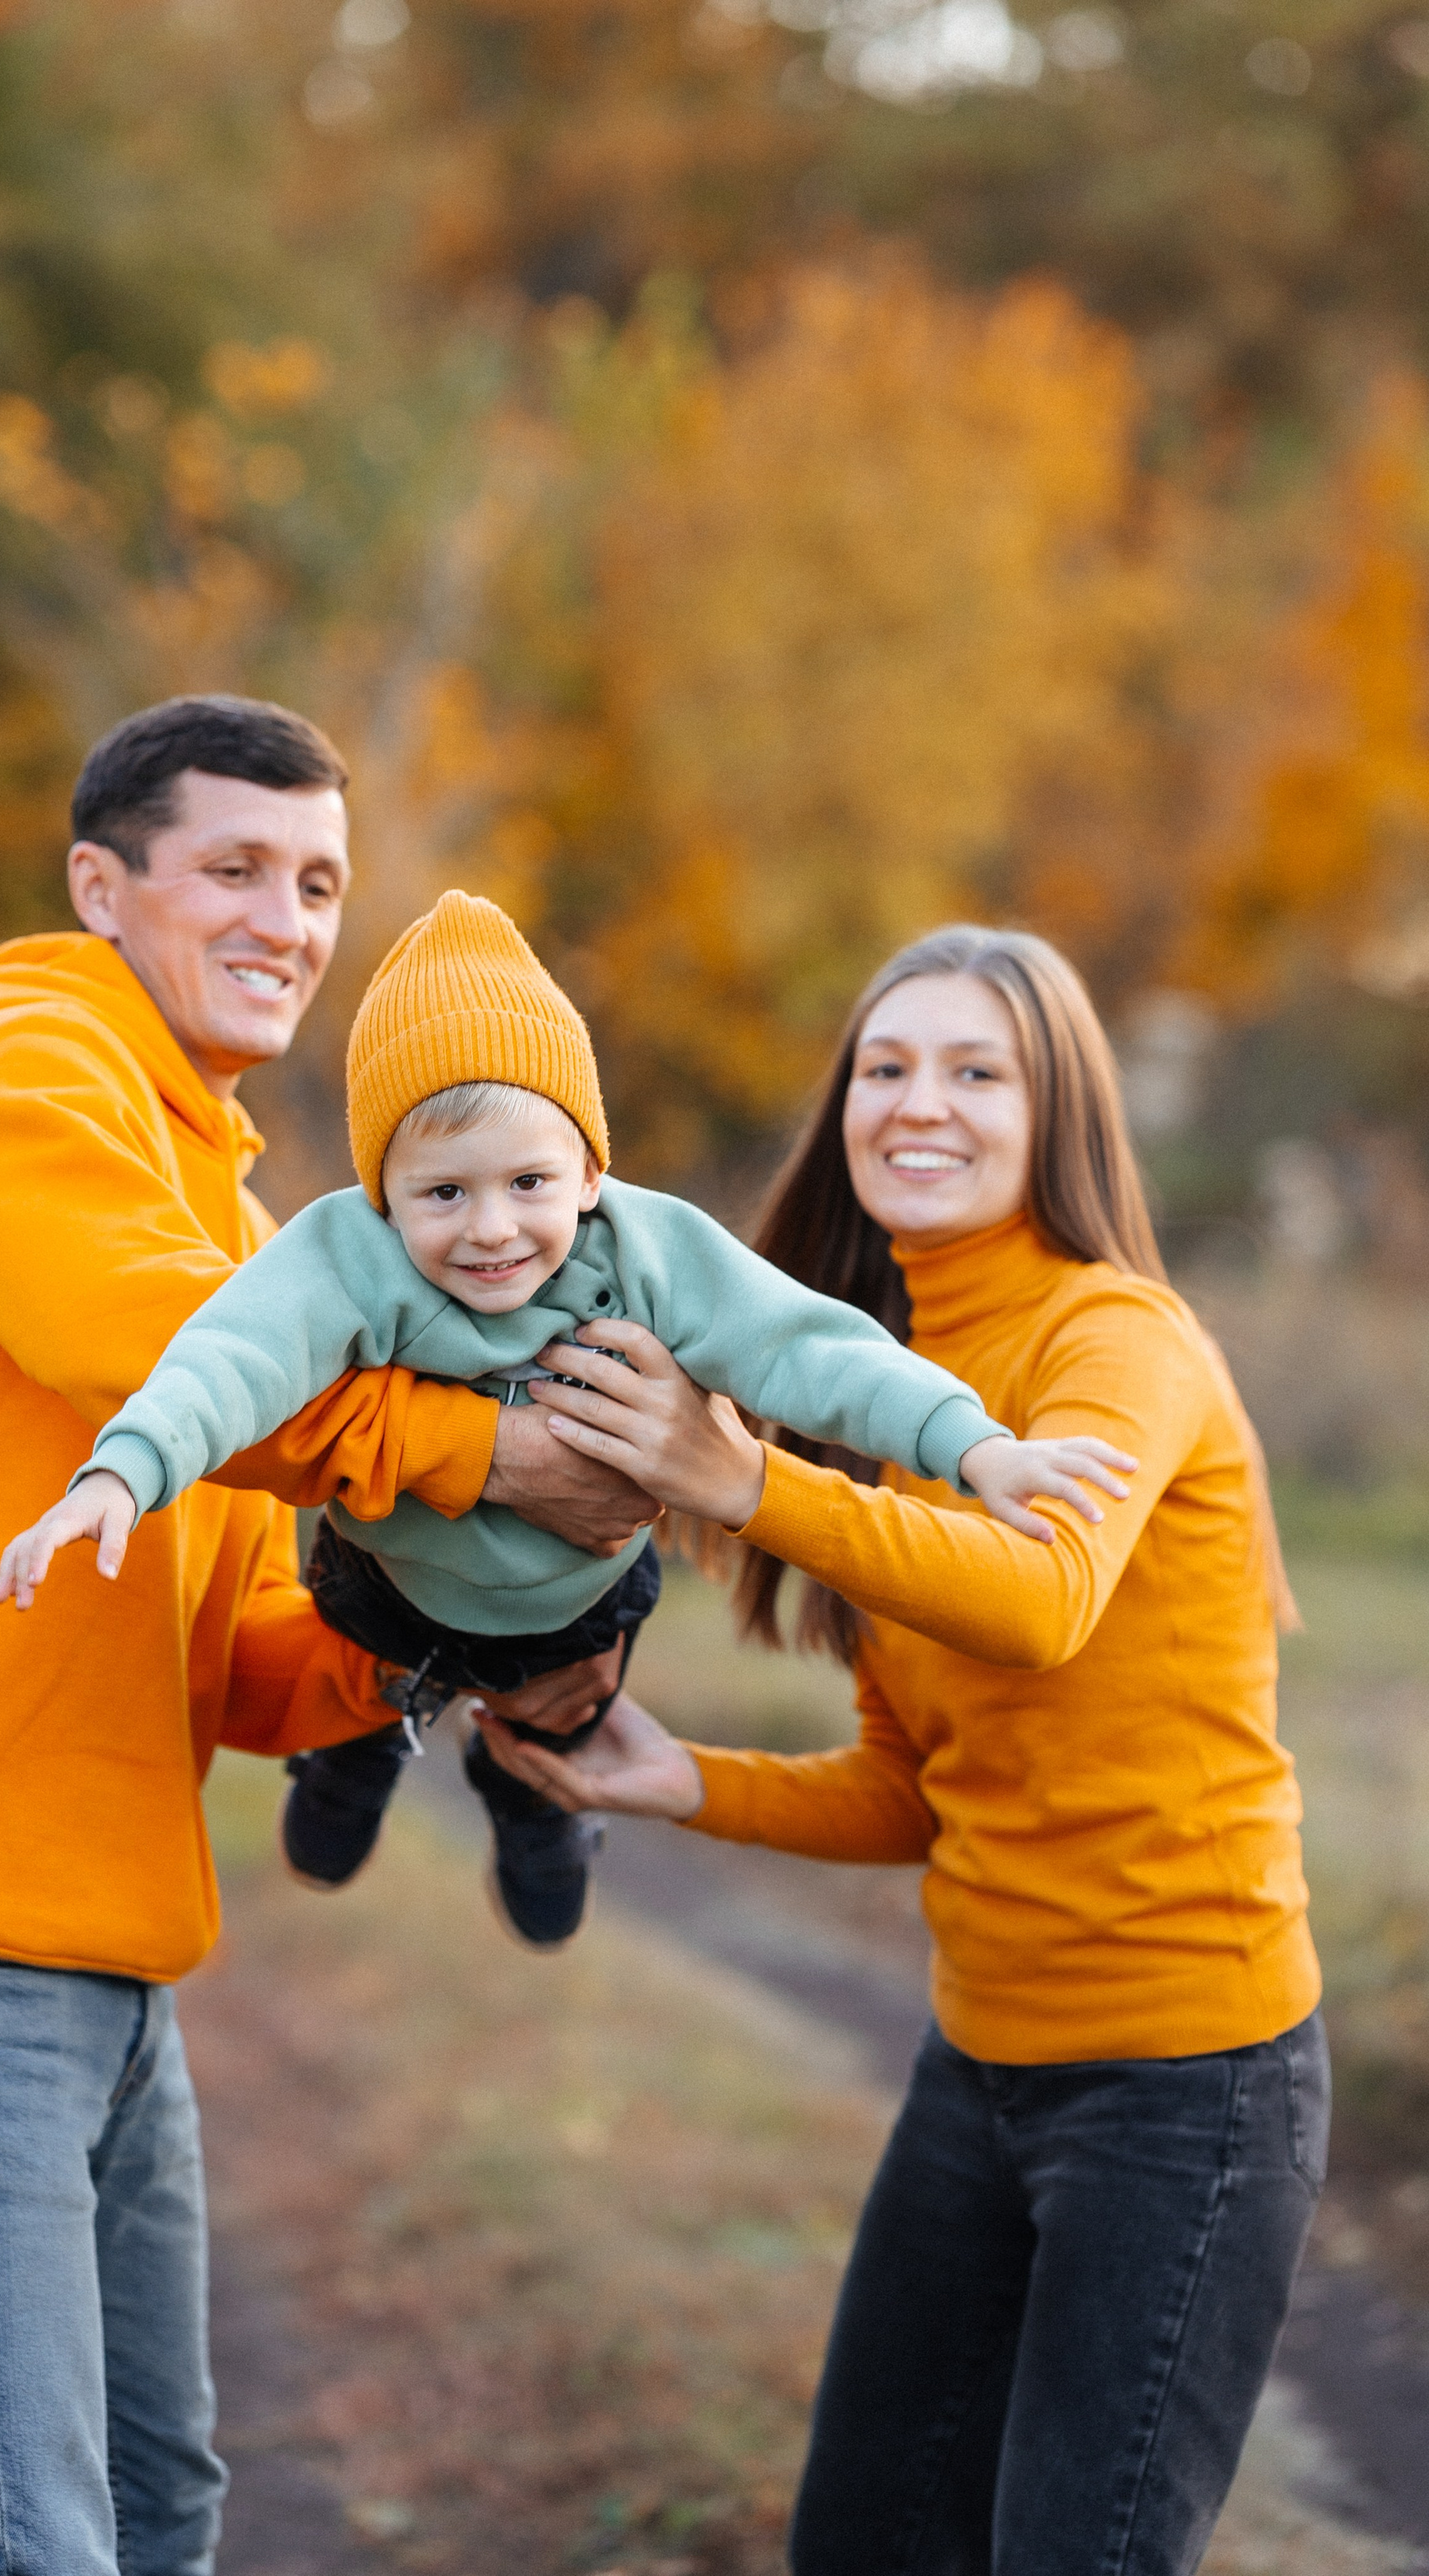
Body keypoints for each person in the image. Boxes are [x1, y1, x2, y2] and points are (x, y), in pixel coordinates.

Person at [0, 696, 654, 2576]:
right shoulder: (16, 1072)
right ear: (102, 884)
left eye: (315, 882)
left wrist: (458, 1649)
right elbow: (160, 1354)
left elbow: (229, 1657)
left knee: (159, 2520)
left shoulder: (228, 1203)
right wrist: (500, 1455)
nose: (284, 921)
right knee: (24, 2546)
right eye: (235, 868)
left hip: (103, 1963)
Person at [474, 924, 1325, 2576]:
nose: (916, 1103)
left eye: (973, 1070)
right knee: (860, 2542)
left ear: (1054, 1114)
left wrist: (745, 1482)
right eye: (884, 1066)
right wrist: (679, 1779)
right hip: (977, 2068)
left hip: (1182, 2087)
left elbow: (1040, 1598)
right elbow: (914, 1788)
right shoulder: (881, 1380)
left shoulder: (1114, 1341)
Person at [0, 891, 1130, 1950]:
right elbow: (233, 1356)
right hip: (395, 1586)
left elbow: (809, 1348)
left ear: (589, 1171)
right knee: (356, 1658)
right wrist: (125, 1471)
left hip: (579, 1604)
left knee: (561, 1716)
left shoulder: (648, 1250)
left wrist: (976, 1446)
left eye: (528, 1184)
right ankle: (353, 1751)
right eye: (445, 1193)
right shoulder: (347, 1256)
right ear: (385, 1195)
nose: (492, 1229)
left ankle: (534, 1792)